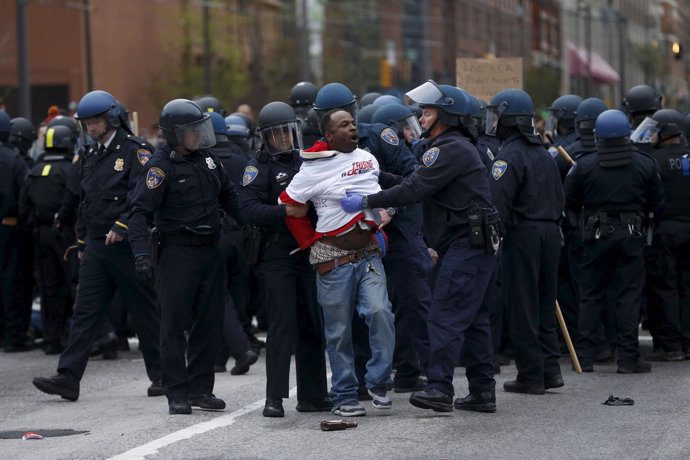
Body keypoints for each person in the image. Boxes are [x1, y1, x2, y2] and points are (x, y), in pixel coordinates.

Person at [341, 81, 500, 413]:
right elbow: (418, 183)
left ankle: (440, 388)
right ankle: (483, 391)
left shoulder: (447, 149)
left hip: (466, 245)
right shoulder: (456, 147)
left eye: (428, 112)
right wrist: (380, 175)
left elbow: (415, 189)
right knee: (473, 318)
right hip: (475, 243)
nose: (422, 118)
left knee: (444, 315)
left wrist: (367, 199)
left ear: (448, 115)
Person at [32, 90, 163, 401]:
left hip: (126, 245)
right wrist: (79, 237)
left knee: (145, 312)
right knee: (85, 312)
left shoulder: (135, 151)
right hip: (96, 246)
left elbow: (143, 195)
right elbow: (85, 200)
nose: (90, 128)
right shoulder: (89, 156)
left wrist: (122, 225)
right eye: (86, 123)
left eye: (95, 122)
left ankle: (164, 376)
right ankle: (68, 377)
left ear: (111, 120)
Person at [282, 108, 395, 417]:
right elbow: (290, 206)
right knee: (339, 331)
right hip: (334, 261)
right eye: (343, 125)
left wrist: (388, 211)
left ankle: (379, 381)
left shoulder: (369, 158)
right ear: (329, 136)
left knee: (380, 312)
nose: (352, 127)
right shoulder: (312, 170)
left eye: (353, 123)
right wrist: (308, 241)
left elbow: (381, 195)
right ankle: (344, 396)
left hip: (369, 255)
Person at [128, 99, 238, 414]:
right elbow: (138, 213)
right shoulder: (159, 167)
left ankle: (201, 390)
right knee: (174, 325)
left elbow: (230, 198)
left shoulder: (209, 160)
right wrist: (140, 256)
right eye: (193, 130)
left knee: (209, 322)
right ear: (176, 134)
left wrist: (253, 223)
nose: (199, 135)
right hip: (177, 253)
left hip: (210, 250)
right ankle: (176, 392)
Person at [238, 101, 329, 418]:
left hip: (308, 253)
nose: (284, 139)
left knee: (312, 323)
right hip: (276, 255)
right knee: (281, 327)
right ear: (265, 137)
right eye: (277, 134)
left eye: (288, 132)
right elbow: (246, 210)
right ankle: (273, 398)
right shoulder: (257, 168)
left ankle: (314, 395)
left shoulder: (307, 162)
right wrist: (283, 212)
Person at [565, 109, 664, 373]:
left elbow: (569, 201)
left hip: (595, 236)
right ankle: (628, 359)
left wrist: (582, 226)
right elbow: (657, 202)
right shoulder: (644, 164)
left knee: (590, 295)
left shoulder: (584, 165)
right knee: (628, 297)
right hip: (632, 236)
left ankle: (584, 357)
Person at [486, 88, 565, 394]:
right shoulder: (544, 153)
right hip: (550, 233)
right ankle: (550, 369)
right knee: (545, 304)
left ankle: (531, 375)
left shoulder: (508, 156)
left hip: (523, 235)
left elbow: (497, 203)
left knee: (522, 306)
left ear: (508, 118)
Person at [18, 125, 78, 355]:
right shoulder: (69, 171)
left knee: (48, 288)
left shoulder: (34, 171)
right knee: (75, 283)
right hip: (66, 234)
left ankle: (51, 339)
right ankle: (84, 337)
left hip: (41, 236)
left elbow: (24, 209)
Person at [207, 112, 259, 375]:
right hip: (240, 236)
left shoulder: (205, 161)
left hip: (215, 234)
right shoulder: (241, 160)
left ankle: (232, 351)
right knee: (237, 295)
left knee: (217, 295)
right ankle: (228, 351)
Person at [636, 109, 690, 361]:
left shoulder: (654, 161)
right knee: (686, 287)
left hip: (665, 230)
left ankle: (671, 346)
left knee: (664, 287)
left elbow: (647, 198)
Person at [0, 111, 30, 352]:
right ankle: (13, 336)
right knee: (12, 280)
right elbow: (25, 192)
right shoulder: (14, 159)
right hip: (10, 226)